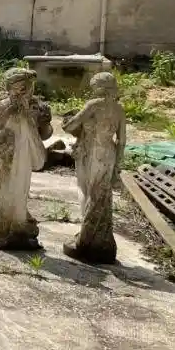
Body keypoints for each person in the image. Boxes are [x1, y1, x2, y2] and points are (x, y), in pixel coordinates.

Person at [0, 67, 50, 250]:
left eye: (27, 88)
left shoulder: (36, 107)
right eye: (19, 88)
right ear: (9, 88)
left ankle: (19, 227)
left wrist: (44, 122)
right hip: (5, 153)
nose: (23, 92)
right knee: (5, 189)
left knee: (21, 189)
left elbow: (45, 134)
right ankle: (4, 228)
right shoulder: (4, 105)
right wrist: (14, 109)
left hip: (24, 152)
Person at [62, 72, 124, 264]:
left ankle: (86, 239)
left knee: (90, 192)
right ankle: (102, 239)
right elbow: (122, 141)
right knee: (102, 194)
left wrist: (68, 121)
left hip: (93, 151)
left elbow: (71, 125)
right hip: (109, 152)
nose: (92, 90)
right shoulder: (119, 109)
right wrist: (118, 165)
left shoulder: (94, 105)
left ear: (100, 87)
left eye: (94, 86)